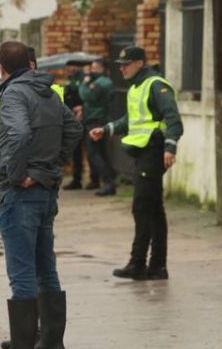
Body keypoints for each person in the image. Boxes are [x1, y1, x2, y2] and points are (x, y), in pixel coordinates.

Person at [0, 41, 82, 349]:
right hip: (45, 192)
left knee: (22, 271)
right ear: (31, 63)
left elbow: (20, 133)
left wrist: (16, 174)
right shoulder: (49, 92)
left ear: (1, 68)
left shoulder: (13, 94)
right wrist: (49, 170)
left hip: (21, 193)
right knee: (46, 268)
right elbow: (73, 128)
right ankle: (52, 344)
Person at [89, 46, 182, 281]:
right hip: (143, 152)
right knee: (154, 209)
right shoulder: (137, 87)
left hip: (154, 150)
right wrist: (108, 129)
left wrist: (170, 147)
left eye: (126, 64)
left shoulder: (155, 85)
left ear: (140, 63)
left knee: (141, 207)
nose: (122, 68)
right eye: (120, 64)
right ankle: (158, 266)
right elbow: (133, 119)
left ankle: (138, 263)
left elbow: (173, 118)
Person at [80, 59, 117, 196]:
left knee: (94, 152)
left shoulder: (102, 83)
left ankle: (109, 182)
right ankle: (101, 181)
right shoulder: (100, 82)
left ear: (102, 68)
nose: (92, 70)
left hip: (97, 121)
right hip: (94, 119)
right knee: (100, 152)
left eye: (95, 67)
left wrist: (84, 83)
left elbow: (87, 96)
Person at [62, 62, 87, 190]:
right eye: (69, 66)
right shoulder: (71, 79)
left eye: (73, 66)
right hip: (71, 117)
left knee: (89, 152)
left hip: (82, 117)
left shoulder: (83, 78)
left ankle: (95, 179)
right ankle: (77, 179)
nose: (71, 69)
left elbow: (81, 94)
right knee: (75, 151)